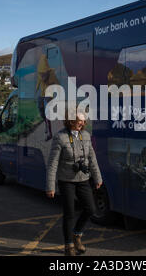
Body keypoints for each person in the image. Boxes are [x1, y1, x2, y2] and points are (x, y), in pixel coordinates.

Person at [46, 110, 103, 256]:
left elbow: (92, 158)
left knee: (90, 208)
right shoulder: (60, 137)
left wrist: (97, 178)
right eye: (80, 121)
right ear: (71, 120)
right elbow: (53, 163)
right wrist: (50, 186)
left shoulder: (86, 136)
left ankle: (77, 234)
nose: (83, 123)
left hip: (83, 179)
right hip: (66, 180)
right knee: (69, 212)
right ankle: (68, 245)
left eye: (84, 121)